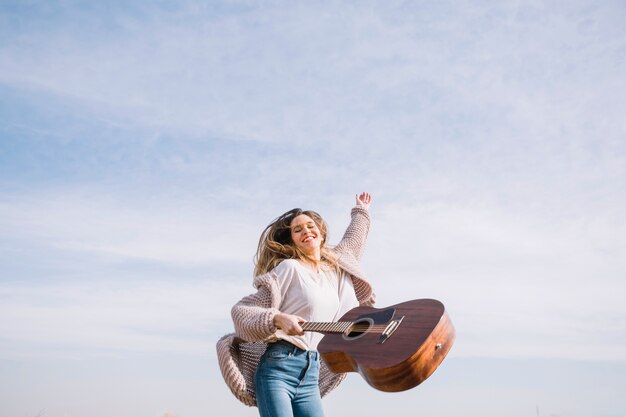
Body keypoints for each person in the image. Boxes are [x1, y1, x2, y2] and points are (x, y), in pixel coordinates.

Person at [216, 192, 376, 417]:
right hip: (278, 368)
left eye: (310, 226)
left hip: (311, 372)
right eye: (297, 230)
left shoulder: (339, 266)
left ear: (321, 233)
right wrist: (277, 318)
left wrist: (361, 210)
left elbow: (354, 239)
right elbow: (242, 310)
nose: (306, 232)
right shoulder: (289, 269)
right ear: (292, 241)